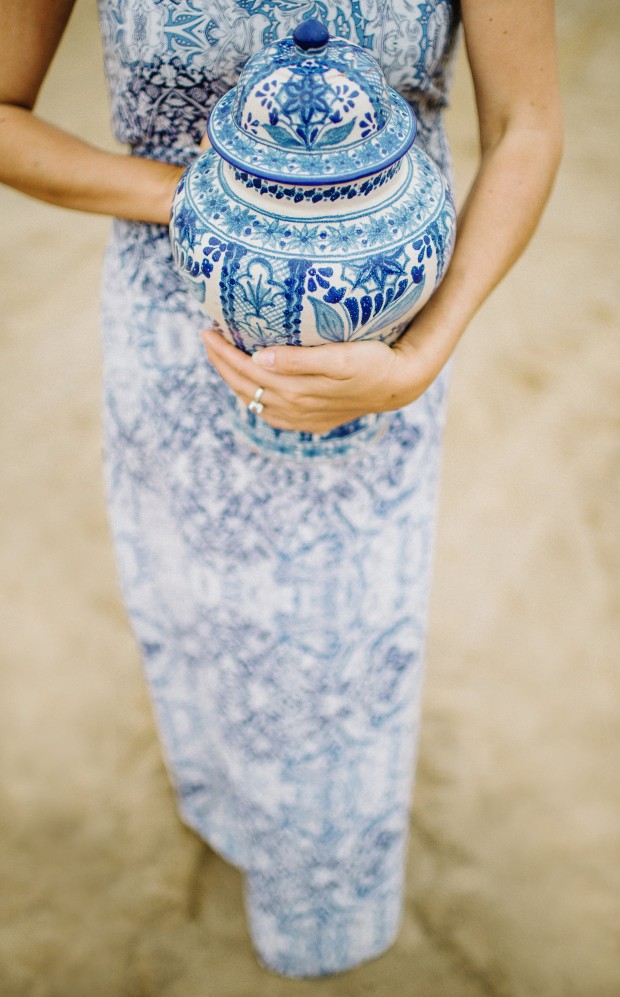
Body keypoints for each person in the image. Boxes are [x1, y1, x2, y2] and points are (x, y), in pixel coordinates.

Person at [0, 0, 562, 979]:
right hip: (173, 343)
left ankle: (325, 919)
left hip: (376, 343)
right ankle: (227, 810)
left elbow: (525, 123)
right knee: (200, 617)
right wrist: (194, 200)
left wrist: (418, 358)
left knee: (342, 669)